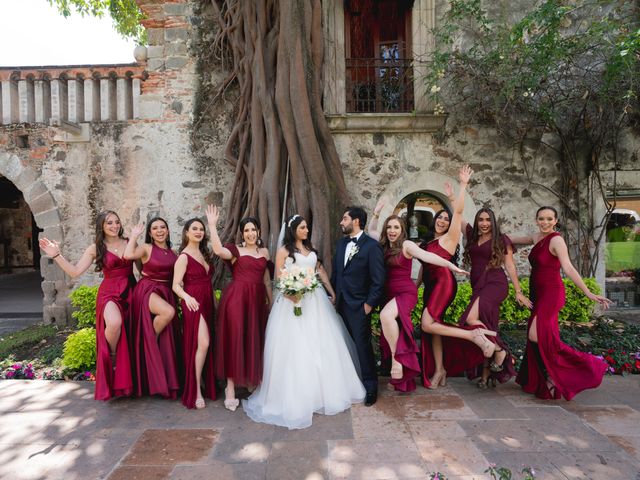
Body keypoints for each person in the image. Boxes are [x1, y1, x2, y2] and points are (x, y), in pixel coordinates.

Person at [244, 214, 365, 429]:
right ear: (293, 230)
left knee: (322, 344)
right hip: (292, 302)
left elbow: (319, 270)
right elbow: (279, 279)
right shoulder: (283, 251)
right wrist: (292, 293)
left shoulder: (311, 249)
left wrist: (330, 290)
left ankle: (324, 393)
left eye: (307, 227)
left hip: (315, 300)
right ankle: (298, 396)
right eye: (302, 227)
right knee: (296, 347)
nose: (306, 230)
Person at [514, 206, 611, 399]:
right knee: (538, 334)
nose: (545, 222)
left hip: (551, 293)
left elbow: (568, 267)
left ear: (555, 221)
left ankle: (582, 367)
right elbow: (510, 239)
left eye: (549, 219)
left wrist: (588, 292)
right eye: (541, 219)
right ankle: (544, 377)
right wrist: (487, 230)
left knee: (537, 335)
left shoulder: (556, 240)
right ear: (536, 220)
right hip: (538, 293)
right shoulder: (536, 237)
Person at [368, 210, 469, 393]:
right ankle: (403, 380)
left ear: (402, 230)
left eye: (396, 227)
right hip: (388, 295)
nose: (392, 230)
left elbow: (429, 257)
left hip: (406, 293)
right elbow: (371, 231)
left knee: (386, 316)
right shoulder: (382, 246)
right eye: (389, 227)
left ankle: (396, 362)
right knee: (397, 332)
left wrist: (451, 265)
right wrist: (376, 213)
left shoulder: (407, 245)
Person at [416, 166, 498, 389]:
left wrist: (462, 186)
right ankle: (440, 370)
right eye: (439, 217)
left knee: (427, 324)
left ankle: (474, 336)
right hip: (431, 287)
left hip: (444, 285)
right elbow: (425, 267)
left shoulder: (449, 239)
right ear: (434, 221)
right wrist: (416, 287)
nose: (443, 221)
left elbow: (459, 212)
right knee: (434, 328)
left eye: (446, 218)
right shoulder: (426, 244)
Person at [39, 210, 134, 400]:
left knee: (134, 332)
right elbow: (74, 272)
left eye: (116, 222)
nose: (114, 226)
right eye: (109, 223)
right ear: (101, 226)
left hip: (131, 290)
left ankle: (129, 377)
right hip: (109, 292)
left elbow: (142, 268)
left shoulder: (129, 242)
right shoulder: (95, 248)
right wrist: (56, 255)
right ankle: (112, 357)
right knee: (114, 323)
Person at [206, 206, 272, 411]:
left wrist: (271, 301)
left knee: (253, 338)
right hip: (236, 299)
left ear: (259, 232)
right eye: (247, 231)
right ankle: (231, 388)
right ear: (242, 234)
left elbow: (267, 279)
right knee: (234, 340)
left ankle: (252, 379)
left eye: (254, 230)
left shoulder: (265, 251)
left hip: (257, 300)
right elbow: (218, 250)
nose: (251, 234)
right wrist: (212, 225)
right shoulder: (235, 250)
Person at [460, 208, 531, 388]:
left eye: (488, 220)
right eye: (481, 220)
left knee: (470, 319)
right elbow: (458, 214)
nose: (484, 223)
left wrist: (518, 291)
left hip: (495, 284)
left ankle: (499, 351)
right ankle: (486, 374)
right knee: (487, 326)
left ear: (493, 222)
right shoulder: (472, 234)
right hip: (478, 286)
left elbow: (510, 265)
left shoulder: (501, 239)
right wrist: (458, 192)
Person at [331, 206, 385, 406]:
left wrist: (369, 305)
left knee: (362, 347)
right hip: (341, 304)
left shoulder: (371, 246)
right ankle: (350, 384)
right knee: (343, 345)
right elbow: (337, 272)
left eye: (344, 219)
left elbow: (378, 280)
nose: (341, 222)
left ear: (356, 221)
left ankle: (371, 387)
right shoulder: (341, 243)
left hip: (360, 306)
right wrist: (334, 296)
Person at [124, 217, 180, 399]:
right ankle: (150, 339)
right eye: (155, 228)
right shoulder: (147, 248)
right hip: (148, 289)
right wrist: (134, 235)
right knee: (168, 312)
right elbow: (128, 255)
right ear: (150, 233)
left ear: (168, 230)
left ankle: (165, 381)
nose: (159, 230)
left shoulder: (174, 252)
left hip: (166, 290)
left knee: (169, 334)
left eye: (163, 227)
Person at [172, 218, 216, 409]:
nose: (198, 232)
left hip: (207, 302)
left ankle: (204, 384)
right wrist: (187, 297)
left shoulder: (204, 253)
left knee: (205, 344)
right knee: (203, 343)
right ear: (187, 233)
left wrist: (216, 303)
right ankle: (195, 389)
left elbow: (209, 282)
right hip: (194, 304)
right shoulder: (183, 256)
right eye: (194, 229)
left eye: (201, 229)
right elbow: (175, 285)